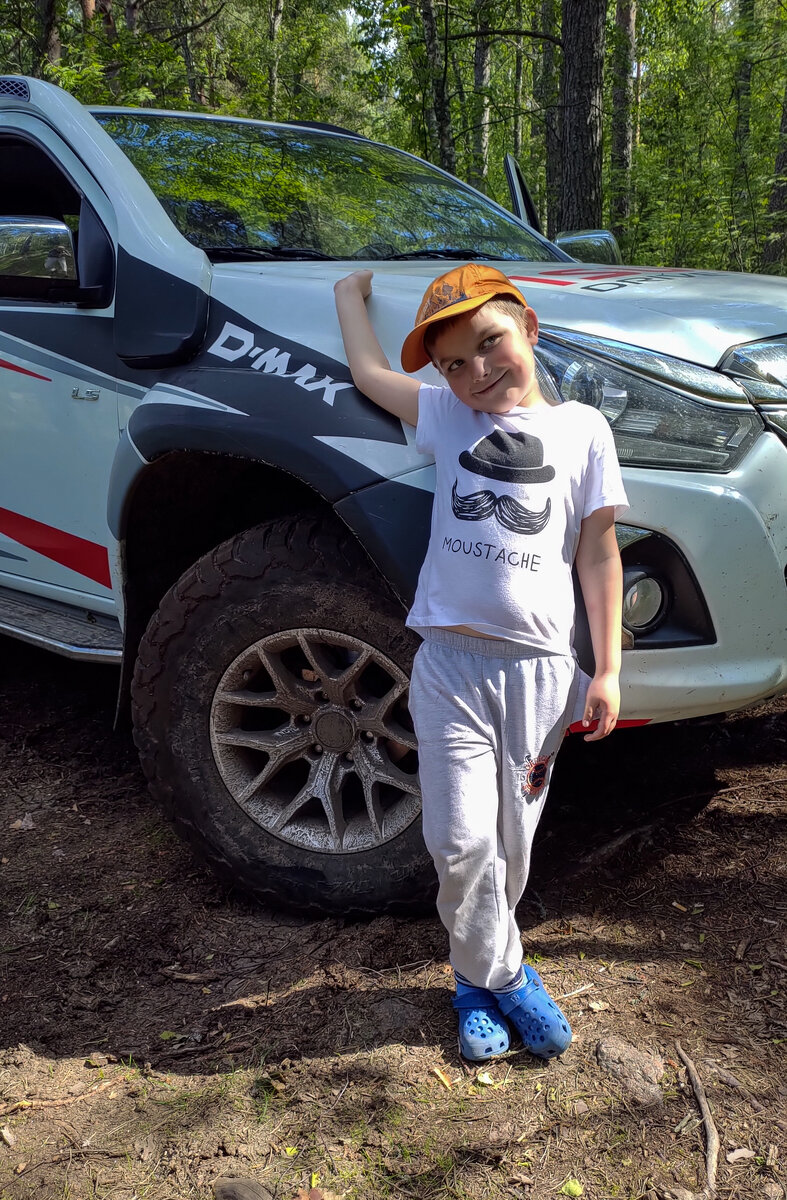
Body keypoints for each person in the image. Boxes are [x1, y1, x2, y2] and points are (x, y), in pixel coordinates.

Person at [334, 263, 628, 1062]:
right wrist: (347, 298)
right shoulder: (445, 414)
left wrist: (605, 670)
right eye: (453, 363)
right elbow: (370, 376)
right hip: (449, 667)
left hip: (539, 672)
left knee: (511, 845)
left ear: (527, 328)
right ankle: (507, 976)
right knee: (460, 843)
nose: (476, 372)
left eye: (490, 343)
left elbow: (597, 554)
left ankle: (470, 981)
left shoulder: (583, 430)